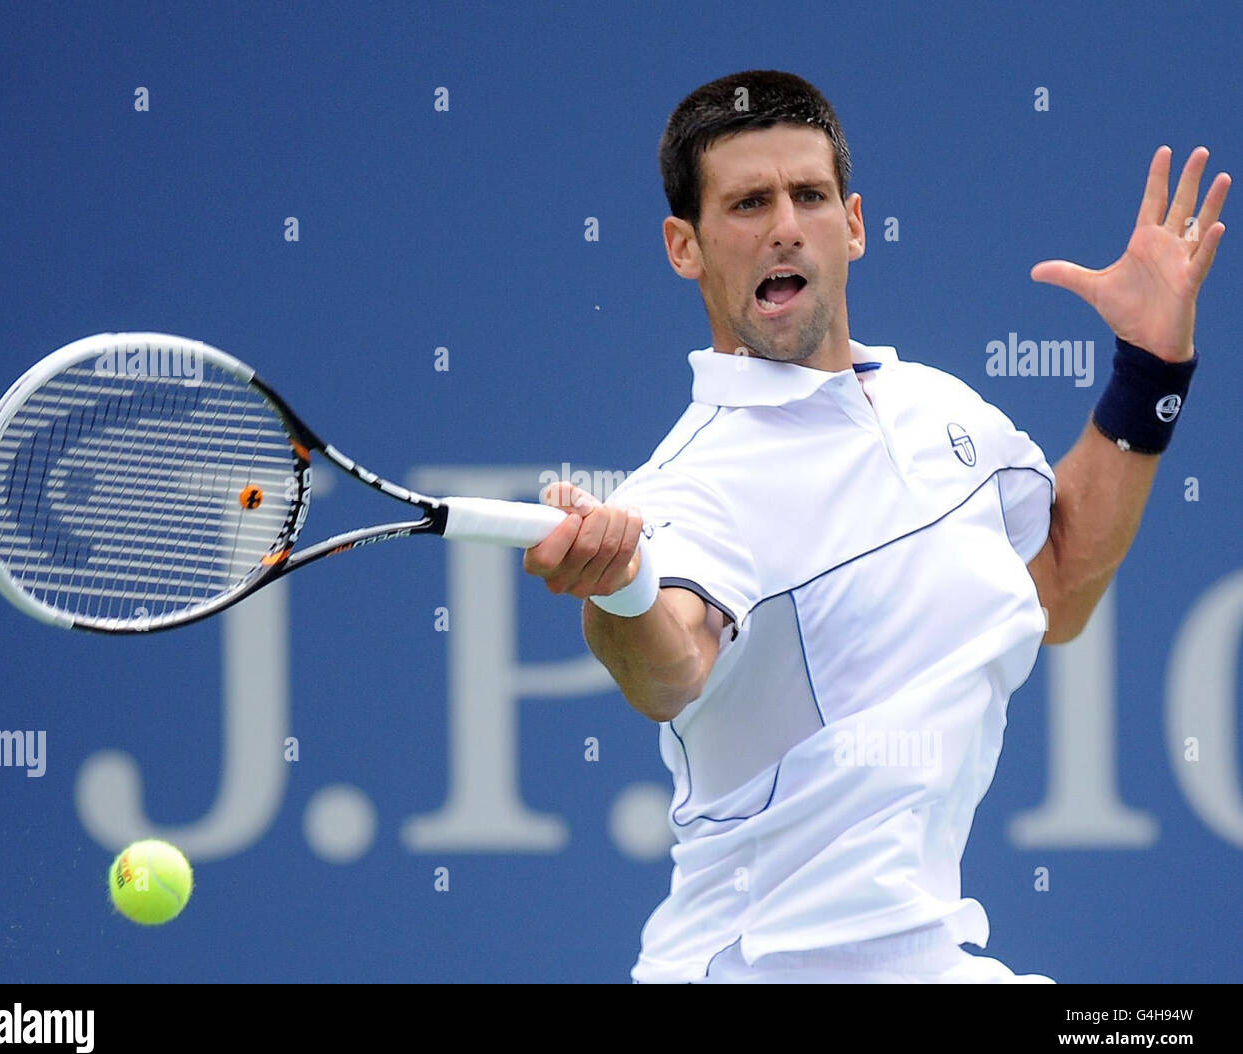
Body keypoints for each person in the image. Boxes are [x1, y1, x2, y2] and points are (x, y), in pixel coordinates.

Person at [522, 70, 1229, 983]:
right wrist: (617, 587)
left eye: (807, 195)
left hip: (930, 960)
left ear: (852, 223)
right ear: (683, 247)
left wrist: (1149, 369)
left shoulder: (943, 411)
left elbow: (1054, 584)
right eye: (746, 203)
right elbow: (672, 669)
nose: (784, 224)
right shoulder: (695, 483)